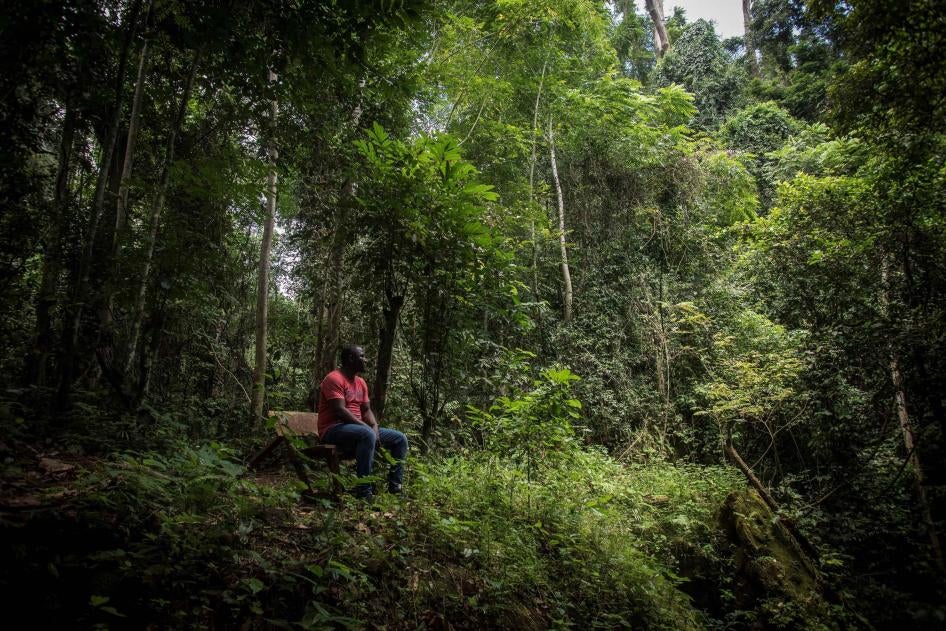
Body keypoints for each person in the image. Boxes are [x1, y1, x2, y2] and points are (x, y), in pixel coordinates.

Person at [316, 344, 408, 499]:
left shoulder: (361, 382)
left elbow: (366, 410)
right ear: (351, 359)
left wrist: (374, 426)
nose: (366, 360)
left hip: (358, 430)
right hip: (333, 430)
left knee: (400, 439)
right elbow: (340, 410)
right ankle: (364, 491)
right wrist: (367, 428)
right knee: (367, 434)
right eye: (362, 356)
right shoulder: (333, 379)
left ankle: (395, 487)